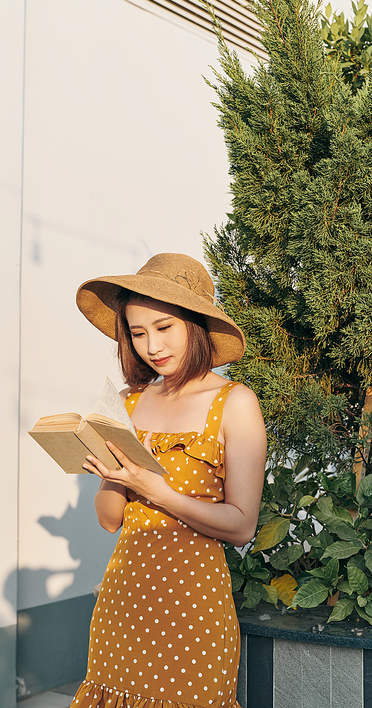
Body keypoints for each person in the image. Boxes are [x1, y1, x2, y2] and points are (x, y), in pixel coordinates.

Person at [72, 253, 266, 708]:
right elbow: (108, 520)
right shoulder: (129, 402)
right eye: (137, 333)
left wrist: (159, 491)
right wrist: (114, 476)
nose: (151, 346)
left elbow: (242, 526)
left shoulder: (235, 403)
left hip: (193, 606)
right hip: (123, 598)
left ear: (195, 325)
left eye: (164, 328)